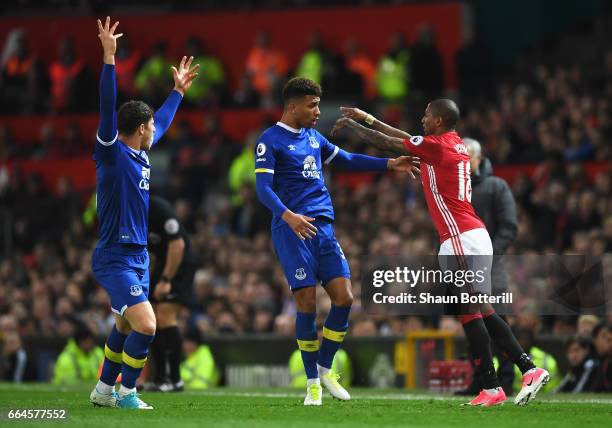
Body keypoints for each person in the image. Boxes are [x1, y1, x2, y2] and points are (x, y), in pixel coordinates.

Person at [331, 100, 550, 407]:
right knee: (469, 312)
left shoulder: (438, 147)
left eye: (427, 115)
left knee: (481, 309)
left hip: (462, 236)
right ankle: (490, 388)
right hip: (466, 235)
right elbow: (402, 136)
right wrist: (367, 117)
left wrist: (353, 128)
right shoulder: (453, 143)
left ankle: (528, 369)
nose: (422, 119)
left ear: (438, 121)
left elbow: (390, 142)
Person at [254, 77, 418, 406]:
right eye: (312, 105)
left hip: (324, 229)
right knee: (307, 304)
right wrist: (289, 216)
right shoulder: (269, 140)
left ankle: (325, 368)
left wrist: (388, 163)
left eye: (318, 104)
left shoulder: (314, 138)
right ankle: (312, 384)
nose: (318, 111)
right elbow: (263, 189)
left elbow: (346, 159)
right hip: (292, 229)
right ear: (292, 106)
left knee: (344, 298)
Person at [89, 17, 198, 410]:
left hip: (139, 257)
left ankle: (103, 390)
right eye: (151, 125)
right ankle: (127, 392)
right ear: (139, 127)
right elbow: (106, 107)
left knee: (123, 325)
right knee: (147, 326)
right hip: (115, 255)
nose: (157, 130)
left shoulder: (142, 156)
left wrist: (177, 93)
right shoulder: (112, 151)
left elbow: (165, 121)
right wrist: (109, 58)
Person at [457, 137, 517, 394]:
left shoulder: (496, 187)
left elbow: (509, 227)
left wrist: (490, 252)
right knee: (473, 322)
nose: (463, 161)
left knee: (496, 320)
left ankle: (505, 378)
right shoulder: (459, 188)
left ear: (479, 158)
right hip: (463, 263)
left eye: (467, 155)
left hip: (492, 265)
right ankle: (481, 380)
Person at [144, 195, 198, 392]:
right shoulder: (131, 213)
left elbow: (178, 245)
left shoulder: (158, 209)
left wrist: (166, 280)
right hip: (161, 261)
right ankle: (160, 378)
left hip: (180, 261)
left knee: (166, 315)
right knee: (152, 319)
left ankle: (175, 379)